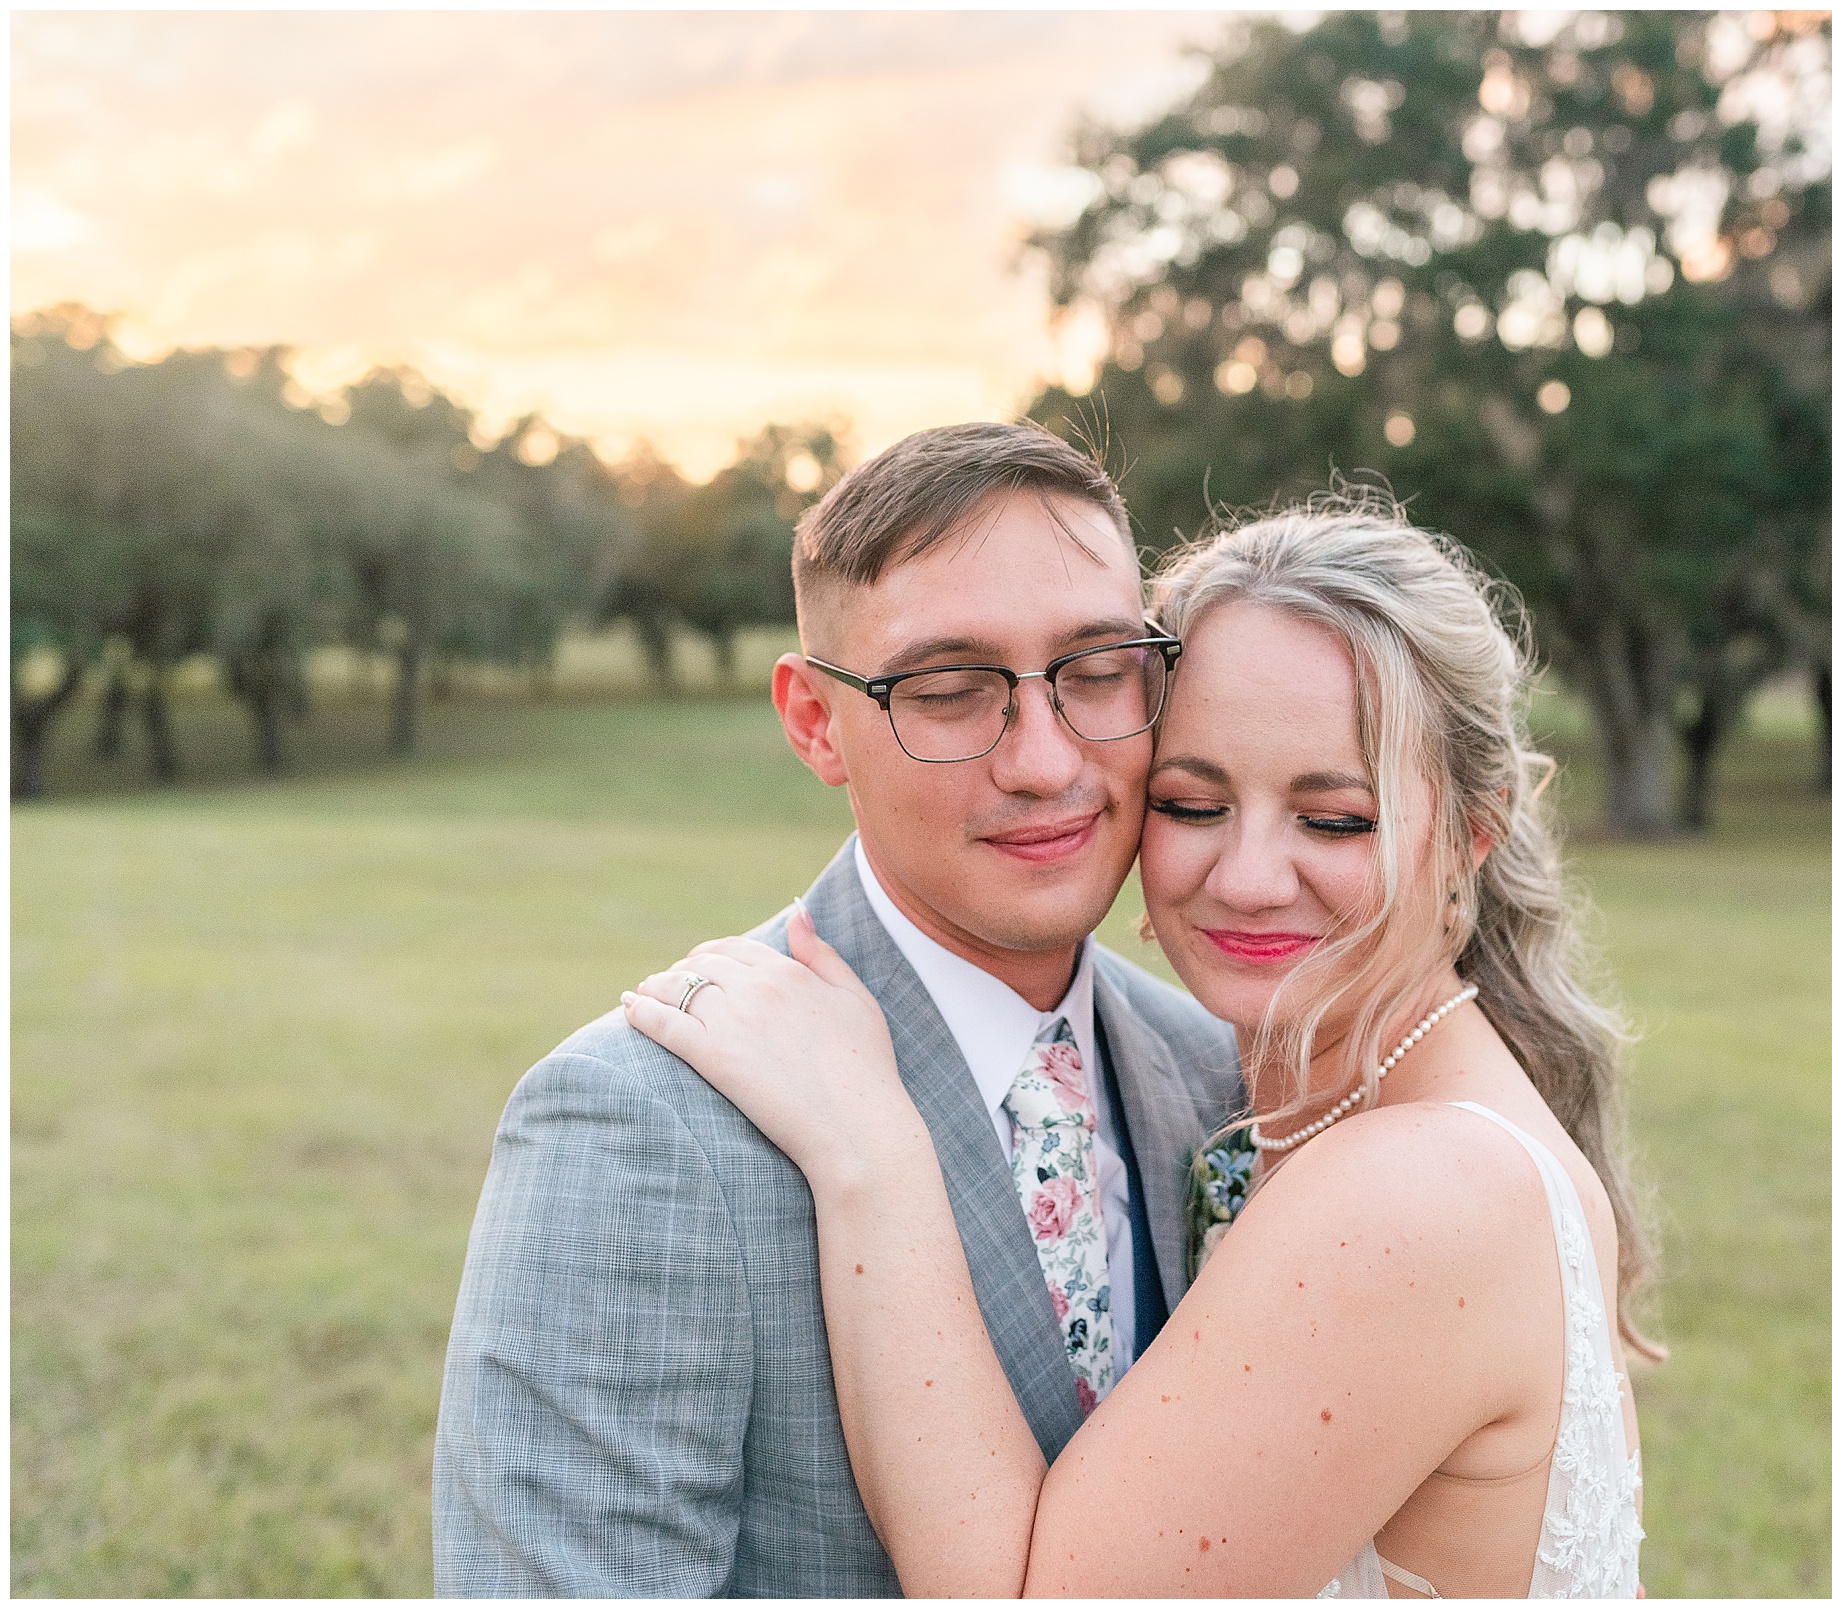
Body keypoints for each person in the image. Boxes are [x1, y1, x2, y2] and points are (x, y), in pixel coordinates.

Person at [624, 498, 1660, 1598]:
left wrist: (874, 1155)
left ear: (1472, 830)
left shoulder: (1420, 1188)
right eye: (1192, 802)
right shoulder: (1323, 1101)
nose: (1250, 876)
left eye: (1335, 819)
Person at [431, 423, 1244, 1596]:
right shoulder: (635, 1126)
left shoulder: (1216, 1069)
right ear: (816, 721)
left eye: (1099, 668)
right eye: (951, 690)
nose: (1046, 759)